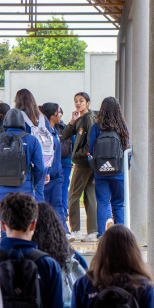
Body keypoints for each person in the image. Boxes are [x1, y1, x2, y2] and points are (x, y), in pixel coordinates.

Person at [0, 108, 45, 207]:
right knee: (26, 217)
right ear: (22, 122)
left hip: (3, 192)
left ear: (5, 122)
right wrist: (31, 183)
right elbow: (40, 168)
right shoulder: (32, 140)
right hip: (25, 192)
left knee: (5, 217)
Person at [89, 96, 130, 236]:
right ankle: (121, 234)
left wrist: (94, 168)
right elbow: (126, 151)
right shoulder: (122, 128)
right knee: (118, 203)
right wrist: (126, 168)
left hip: (101, 172)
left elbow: (91, 151)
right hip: (118, 171)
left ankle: (103, 233)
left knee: (102, 202)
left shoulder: (96, 128)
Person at [62, 92, 98, 242]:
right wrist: (72, 120)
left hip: (83, 162)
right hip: (88, 162)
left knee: (72, 196)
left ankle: (76, 230)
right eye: (76, 101)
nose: (78, 103)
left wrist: (78, 155)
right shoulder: (80, 119)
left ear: (88, 103)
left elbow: (91, 141)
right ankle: (92, 232)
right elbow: (65, 135)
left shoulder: (89, 118)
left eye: (81, 101)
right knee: (89, 196)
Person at [39, 102, 69, 233]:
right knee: (44, 205)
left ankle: (64, 232)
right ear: (52, 115)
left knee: (58, 204)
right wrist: (47, 172)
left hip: (57, 175)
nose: (60, 115)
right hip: (47, 176)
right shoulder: (43, 132)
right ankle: (45, 232)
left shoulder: (55, 131)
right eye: (58, 112)